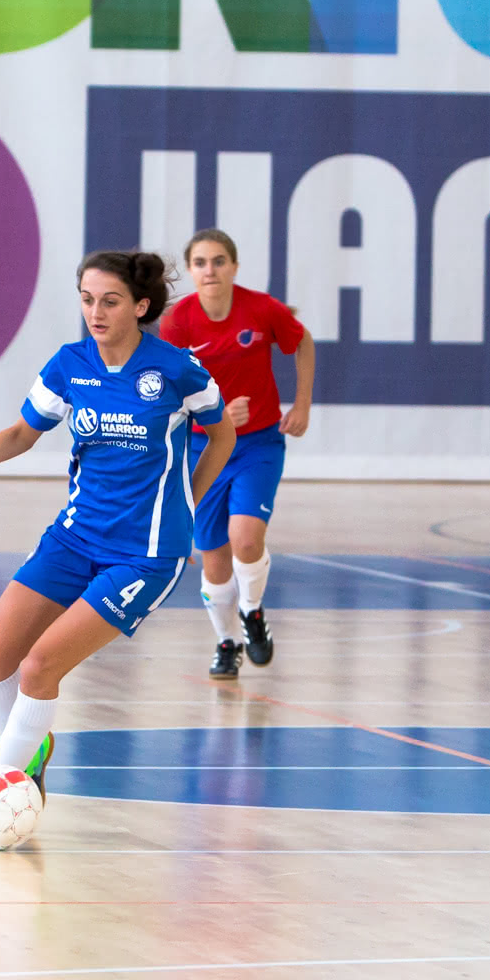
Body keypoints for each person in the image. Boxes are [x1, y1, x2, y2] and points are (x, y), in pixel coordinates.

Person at [0, 250, 235, 839]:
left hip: (145, 553)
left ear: (140, 307)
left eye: (109, 301)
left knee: (41, 666)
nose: (95, 311)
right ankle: (30, 756)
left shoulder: (177, 370)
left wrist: (190, 497)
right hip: (74, 536)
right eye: (87, 299)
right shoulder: (69, 365)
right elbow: (20, 432)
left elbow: (223, 431)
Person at [158, 229, 314, 679]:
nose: (211, 270)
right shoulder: (179, 322)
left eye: (220, 261)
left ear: (235, 267)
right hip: (204, 447)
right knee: (213, 556)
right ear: (191, 270)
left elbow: (301, 342)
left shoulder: (261, 308)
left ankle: (253, 612)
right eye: (202, 262)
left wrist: (301, 404)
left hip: (258, 444)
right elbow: (168, 393)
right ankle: (226, 642)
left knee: (246, 538)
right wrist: (217, 416)